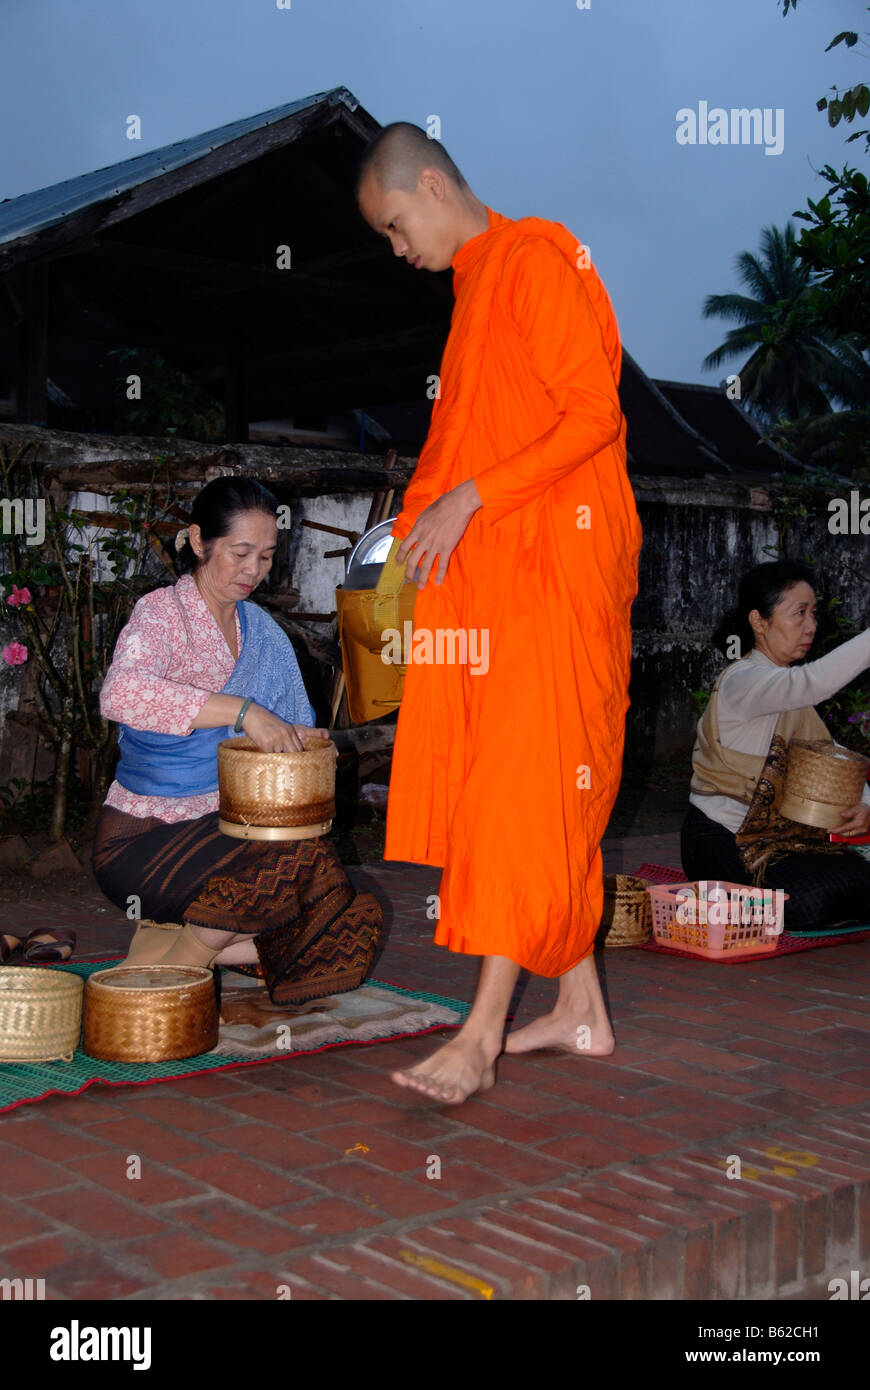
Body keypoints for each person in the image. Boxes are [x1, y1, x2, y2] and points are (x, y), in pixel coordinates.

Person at [355, 123, 642, 1102]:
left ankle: (480, 1035)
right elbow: (458, 441)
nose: (398, 251)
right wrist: (403, 543)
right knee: (527, 789)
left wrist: (471, 498)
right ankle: (582, 1010)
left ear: (432, 185)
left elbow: (592, 414)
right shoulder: (474, 290)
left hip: (555, 574)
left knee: (522, 792)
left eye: (396, 226)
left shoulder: (537, 257)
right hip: (502, 586)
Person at [92, 476, 382, 1004]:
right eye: (240, 552)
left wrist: (306, 742)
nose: (254, 571)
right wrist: (243, 712)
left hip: (229, 832)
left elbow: (289, 727)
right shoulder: (163, 615)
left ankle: (169, 937)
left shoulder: (265, 635)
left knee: (339, 905)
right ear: (200, 541)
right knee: (289, 865)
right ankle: (177, 973)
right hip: (145, 836)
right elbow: (121, 694)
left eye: (266, 557)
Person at [682, 559, 870, 931]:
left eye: (813, 613)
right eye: (798, 613)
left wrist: (865, 805)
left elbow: (832, 759)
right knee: (815, 899)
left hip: (782, 842)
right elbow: (812, 682)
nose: (811, 626)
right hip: (722, 842)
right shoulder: (744, 680)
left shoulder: (787, 693)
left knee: (852, 882)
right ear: (759, 621)